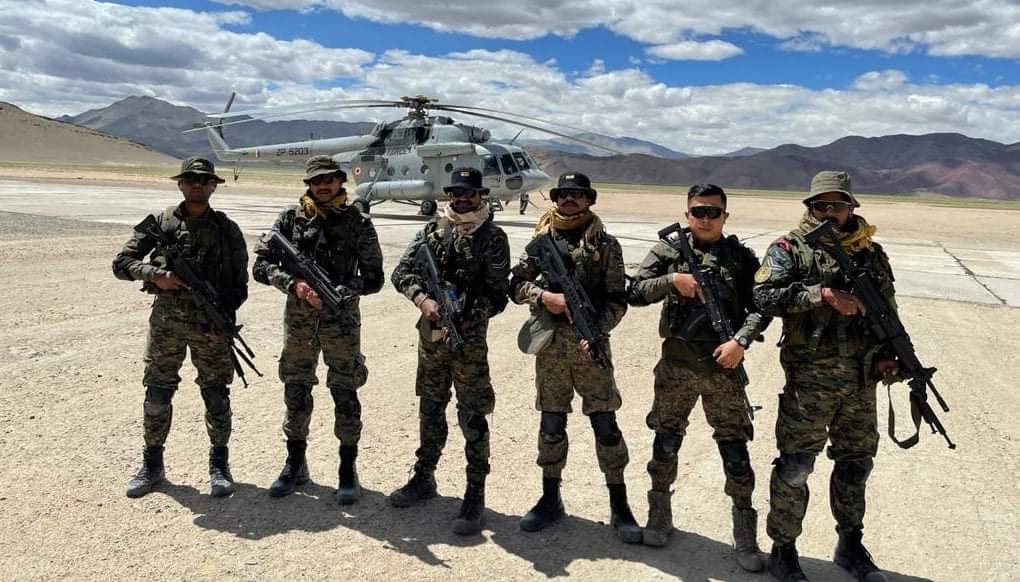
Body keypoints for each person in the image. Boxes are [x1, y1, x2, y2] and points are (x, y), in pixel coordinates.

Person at [754, 171, 893, 582]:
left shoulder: (871, 252)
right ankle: (784, 550)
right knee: (796, 467)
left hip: (861, 380)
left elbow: (887, 310)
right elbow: (763, 295)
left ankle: (850, 545)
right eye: (821, 206)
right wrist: (822, 294)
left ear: (852, 207)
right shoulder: (788, 249)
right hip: (810, 381)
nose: (829, 213)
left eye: (838, 205)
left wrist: (890, 354)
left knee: (856, 464)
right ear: (809, 208)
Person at [627, 183, 770, 569]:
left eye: (713, 212)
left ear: (725, 215)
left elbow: (762, 306)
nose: (705, 218)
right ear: (687, 214)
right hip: (677, 365)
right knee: (665, 442)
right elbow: (635, 292)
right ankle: (659, 516)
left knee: (735, 452)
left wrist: (740, 341)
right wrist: (673, 281)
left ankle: (745, 535)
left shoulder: (741, 258)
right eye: (698, 211)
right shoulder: (669, 252)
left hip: (723, 366)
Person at [509, 172, 641, 543]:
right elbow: (515, 285)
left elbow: (618, 299)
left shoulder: (606, 245)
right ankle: (551, 500)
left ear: (589, 200)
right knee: (552, 427)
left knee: (606, 427)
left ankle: (620, 504)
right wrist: (542, 297)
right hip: (550, 349)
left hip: (590, 348)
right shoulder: (540, 242)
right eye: (563, 194)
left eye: (577, 195)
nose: (569, 200)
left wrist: (596, 330)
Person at [112, 157, 248, 498]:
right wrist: (155, 275)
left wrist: (224, 320)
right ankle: (152, 466)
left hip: (209, 327)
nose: (197, 184)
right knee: (157, 392)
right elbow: (121, 264)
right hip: (167, 324)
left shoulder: (227, 229)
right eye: (190, 178)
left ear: (214, 185)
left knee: (216, 393)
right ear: (180, 184)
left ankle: (219, 465)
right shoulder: (161, 222)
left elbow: (238, 284)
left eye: (204, 179)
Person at [252, 155, 383, 504]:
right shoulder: (289, 220)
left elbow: (375, 278)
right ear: (308, 185)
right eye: (315, 181)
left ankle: (347, 469)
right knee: (296, 389)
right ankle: (295, 465)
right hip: (299, 322)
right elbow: (260, 266)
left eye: (329, 179)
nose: (322, 186)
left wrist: (346, 288)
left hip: (341, 322)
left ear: (341, 181)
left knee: (345, 390)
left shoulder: (359, 223)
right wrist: (293, 285)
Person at [389, 167, 510, 536]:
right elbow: (401, 273)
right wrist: (424, 299)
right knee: (430, 408)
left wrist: (467, 314)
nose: (462, 198)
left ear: (480, 196)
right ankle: (424, 477)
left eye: (469, 193)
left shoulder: (493, 237)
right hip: (432, 342)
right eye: (457, 192)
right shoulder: (433, 230)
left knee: (473, 416)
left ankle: (475, 493)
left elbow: (497, 295)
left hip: (468, 344)